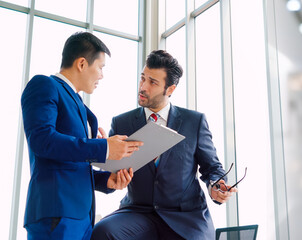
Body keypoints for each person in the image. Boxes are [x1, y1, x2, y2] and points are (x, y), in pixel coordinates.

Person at [91, 50, 238, 240]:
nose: (143, 86)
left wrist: (216, 186)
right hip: (137, 212)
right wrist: (104, 153)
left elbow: (212, 168)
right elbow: (110, 175)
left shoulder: (194, 122)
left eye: (153, 82)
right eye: (142, 78)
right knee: (103, 232)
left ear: (170, 89)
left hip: (185, 216)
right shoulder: (121, 123)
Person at [21, 31, 143, 240]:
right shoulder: (44, 85)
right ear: (82, 64)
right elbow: (42, 141)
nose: (102, 75)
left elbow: (73, 165)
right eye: (100, 67)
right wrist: (104, 149)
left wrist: (107, 180)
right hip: (56, 213)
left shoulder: (80, 105)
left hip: (81, 218)